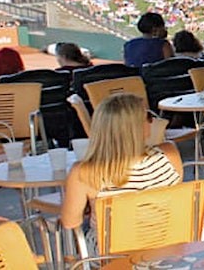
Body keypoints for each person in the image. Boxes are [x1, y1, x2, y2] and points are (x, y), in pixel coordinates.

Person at [60, 93, 183, 237]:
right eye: (148, 117)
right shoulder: (169, 154)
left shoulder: (83, 173)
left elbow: (70, 222)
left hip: (115, 256)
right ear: (135, 128)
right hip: (170, 249)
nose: (152, 121)